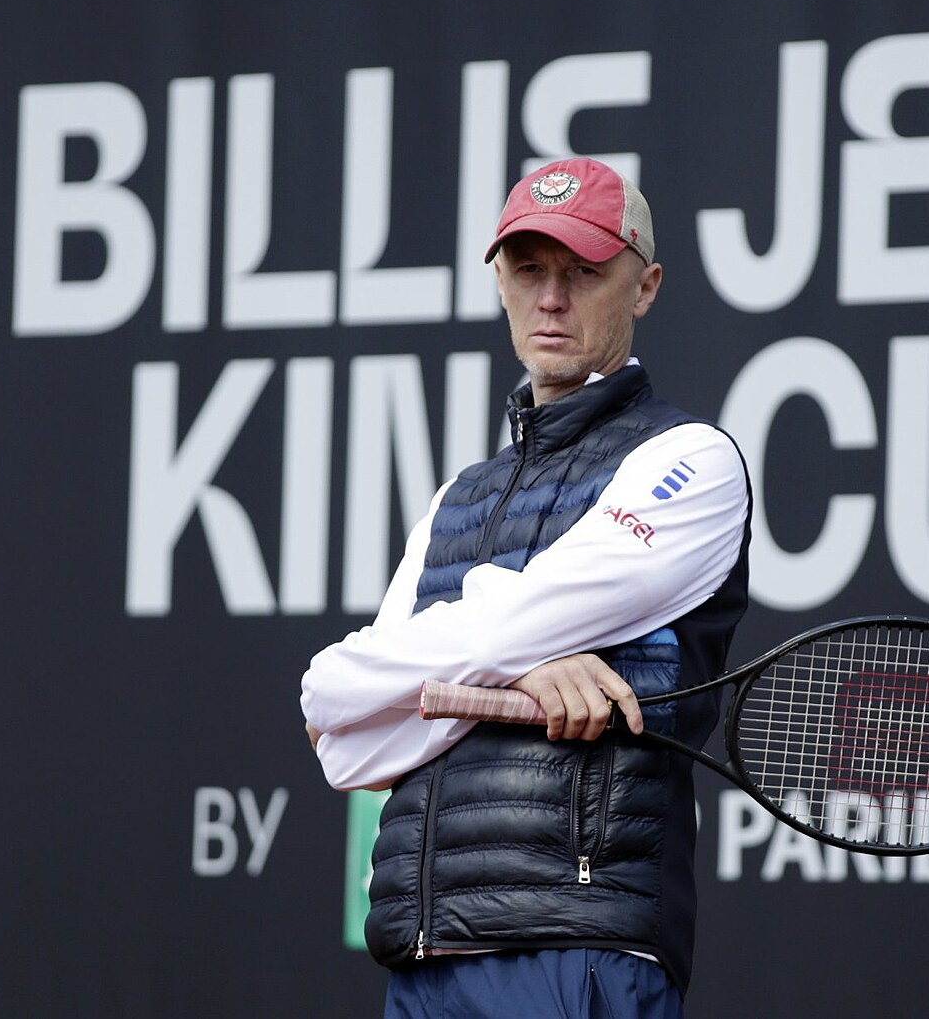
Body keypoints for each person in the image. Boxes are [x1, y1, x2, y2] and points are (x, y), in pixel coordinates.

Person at [300, 156, 752, 1018]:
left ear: (644, 287)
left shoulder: (692, 460)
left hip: (579, 945)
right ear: (501, 284)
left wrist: (462, 667)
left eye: (583, 272)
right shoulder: (455, 499)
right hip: (425, 956)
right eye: (529, 269)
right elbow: (339, 731)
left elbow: (438, 661)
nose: (551, 298)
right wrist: (525, 666)